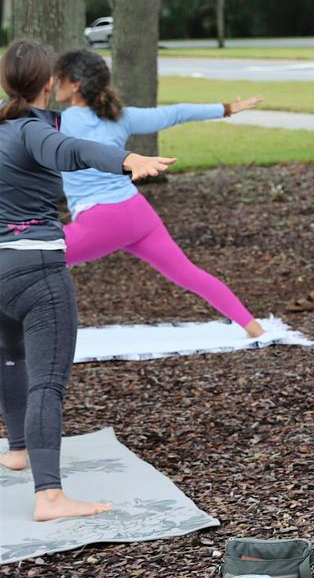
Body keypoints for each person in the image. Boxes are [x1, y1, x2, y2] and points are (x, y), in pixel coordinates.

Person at [0, 39, 174, 520]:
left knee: (12, 361)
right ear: (49, 84)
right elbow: (69, 149)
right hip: (36, 271)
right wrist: (126, 161)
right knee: (46, 384)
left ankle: (18, 449)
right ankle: (49, 496)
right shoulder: (32, 129)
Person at [52, 49, 266, 338]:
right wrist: (226, 108)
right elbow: (173, 114)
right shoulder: (119, 117)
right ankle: (256, 329)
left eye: (59, 78)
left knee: (29, 257)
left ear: (75, 84)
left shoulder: (56, 123)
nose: (53, 83)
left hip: (102, 219)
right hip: (137, 213)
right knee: (189, 274)